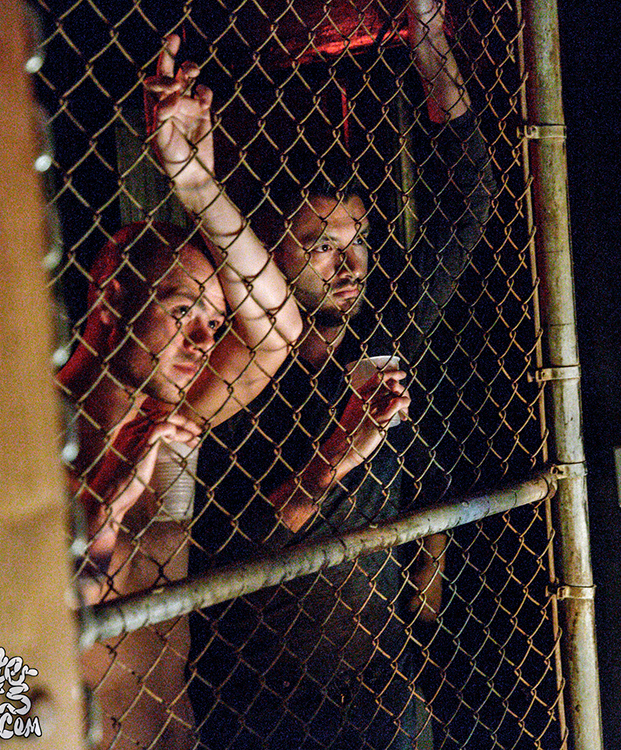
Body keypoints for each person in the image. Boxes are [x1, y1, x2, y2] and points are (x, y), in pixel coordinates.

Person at [187, 0, 491, 746]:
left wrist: (429, 46)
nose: (350, 265)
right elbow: (236, 547)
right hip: (263, 705)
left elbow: (470, 197)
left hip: (379, 693)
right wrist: (329, 462)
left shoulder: (383, 332)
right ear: (271, 253)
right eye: (323, 246)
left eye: (357, 241)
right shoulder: (236, 370)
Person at [60, 33, 303, 750]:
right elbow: (65, 593)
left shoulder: (174, 417)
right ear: (109, 299)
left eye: (212, 321)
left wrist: (196, 182)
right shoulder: (35, 418)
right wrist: (120, 476)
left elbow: (275, 330)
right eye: (178, 312)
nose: (204, 341)